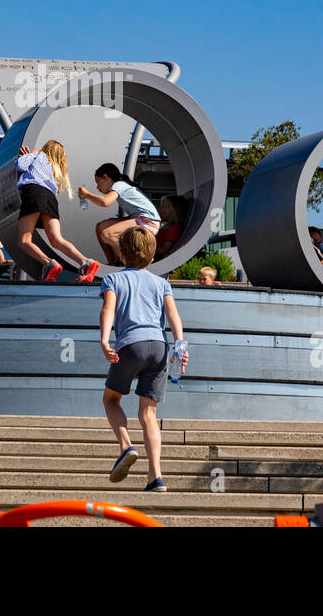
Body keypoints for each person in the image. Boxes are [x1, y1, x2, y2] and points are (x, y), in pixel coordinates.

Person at [100, 227, 187, 492]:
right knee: (148, 413)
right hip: (159, 347)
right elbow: (173, 316)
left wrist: (105, 340)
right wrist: (180, 347)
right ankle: (155, 476)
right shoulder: (161, 283)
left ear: (121, 254)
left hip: (131, 345)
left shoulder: (112, 280)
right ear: (151, 257)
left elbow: (108, 309)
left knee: (111, 399)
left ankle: (126, 446)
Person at [15, 140, 99, 282]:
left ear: (46, 148)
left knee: (23, 240)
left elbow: (20, 165)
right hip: (50, 198)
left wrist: (27, 155)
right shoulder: (55, 168)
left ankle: (48, 264)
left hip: (34, 192)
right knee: (56, 239)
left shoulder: (37, 153)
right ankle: (85, 262)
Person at [79, 163, 161, 266]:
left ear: (105, 177)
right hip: (140, 218)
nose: (97, 187)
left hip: (148, 221)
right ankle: (114, 262)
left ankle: (131, 262)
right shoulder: (121, 185)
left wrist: (87, 194)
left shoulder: (119, 184)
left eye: (98, 182)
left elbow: (105, 202)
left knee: (107, 234)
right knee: (101, 227)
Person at [154, 195, 188, 260]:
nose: (159, 209)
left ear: (172, 210)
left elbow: (162, 251)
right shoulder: (166, 226)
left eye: (162, 206)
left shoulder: (174, 229)